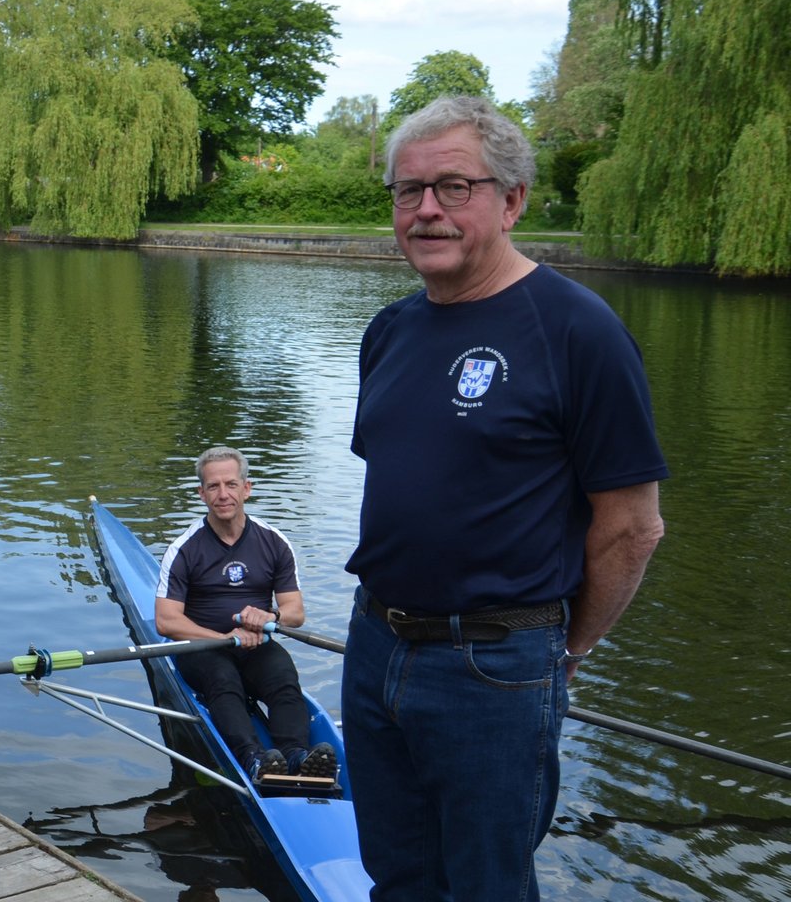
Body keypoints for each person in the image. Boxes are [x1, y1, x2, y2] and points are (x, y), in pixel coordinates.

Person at [344, 95, 667, 900]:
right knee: (396, 877)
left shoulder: (577, 332)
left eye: (455, 187)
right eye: (407, 191)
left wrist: (564, 653)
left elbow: (631, 529)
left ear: (512, 199)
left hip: (495, 665)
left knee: (488, 885)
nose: (426, 211)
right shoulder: (389, 329)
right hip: (375, 643)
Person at [156, 446, 337, 781]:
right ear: (201, 493)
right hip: (202, 648)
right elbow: (167, 621)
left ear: (246, 488)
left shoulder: (274, 542)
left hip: (256, 645)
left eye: (231, 484)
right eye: (213, 487)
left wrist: (272, 618)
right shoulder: (184, 548)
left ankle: (296, 755)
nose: (223, 494)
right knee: (223, 680)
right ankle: (253, 760)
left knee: (283, 675)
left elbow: (295, 613)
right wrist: (223, 639)